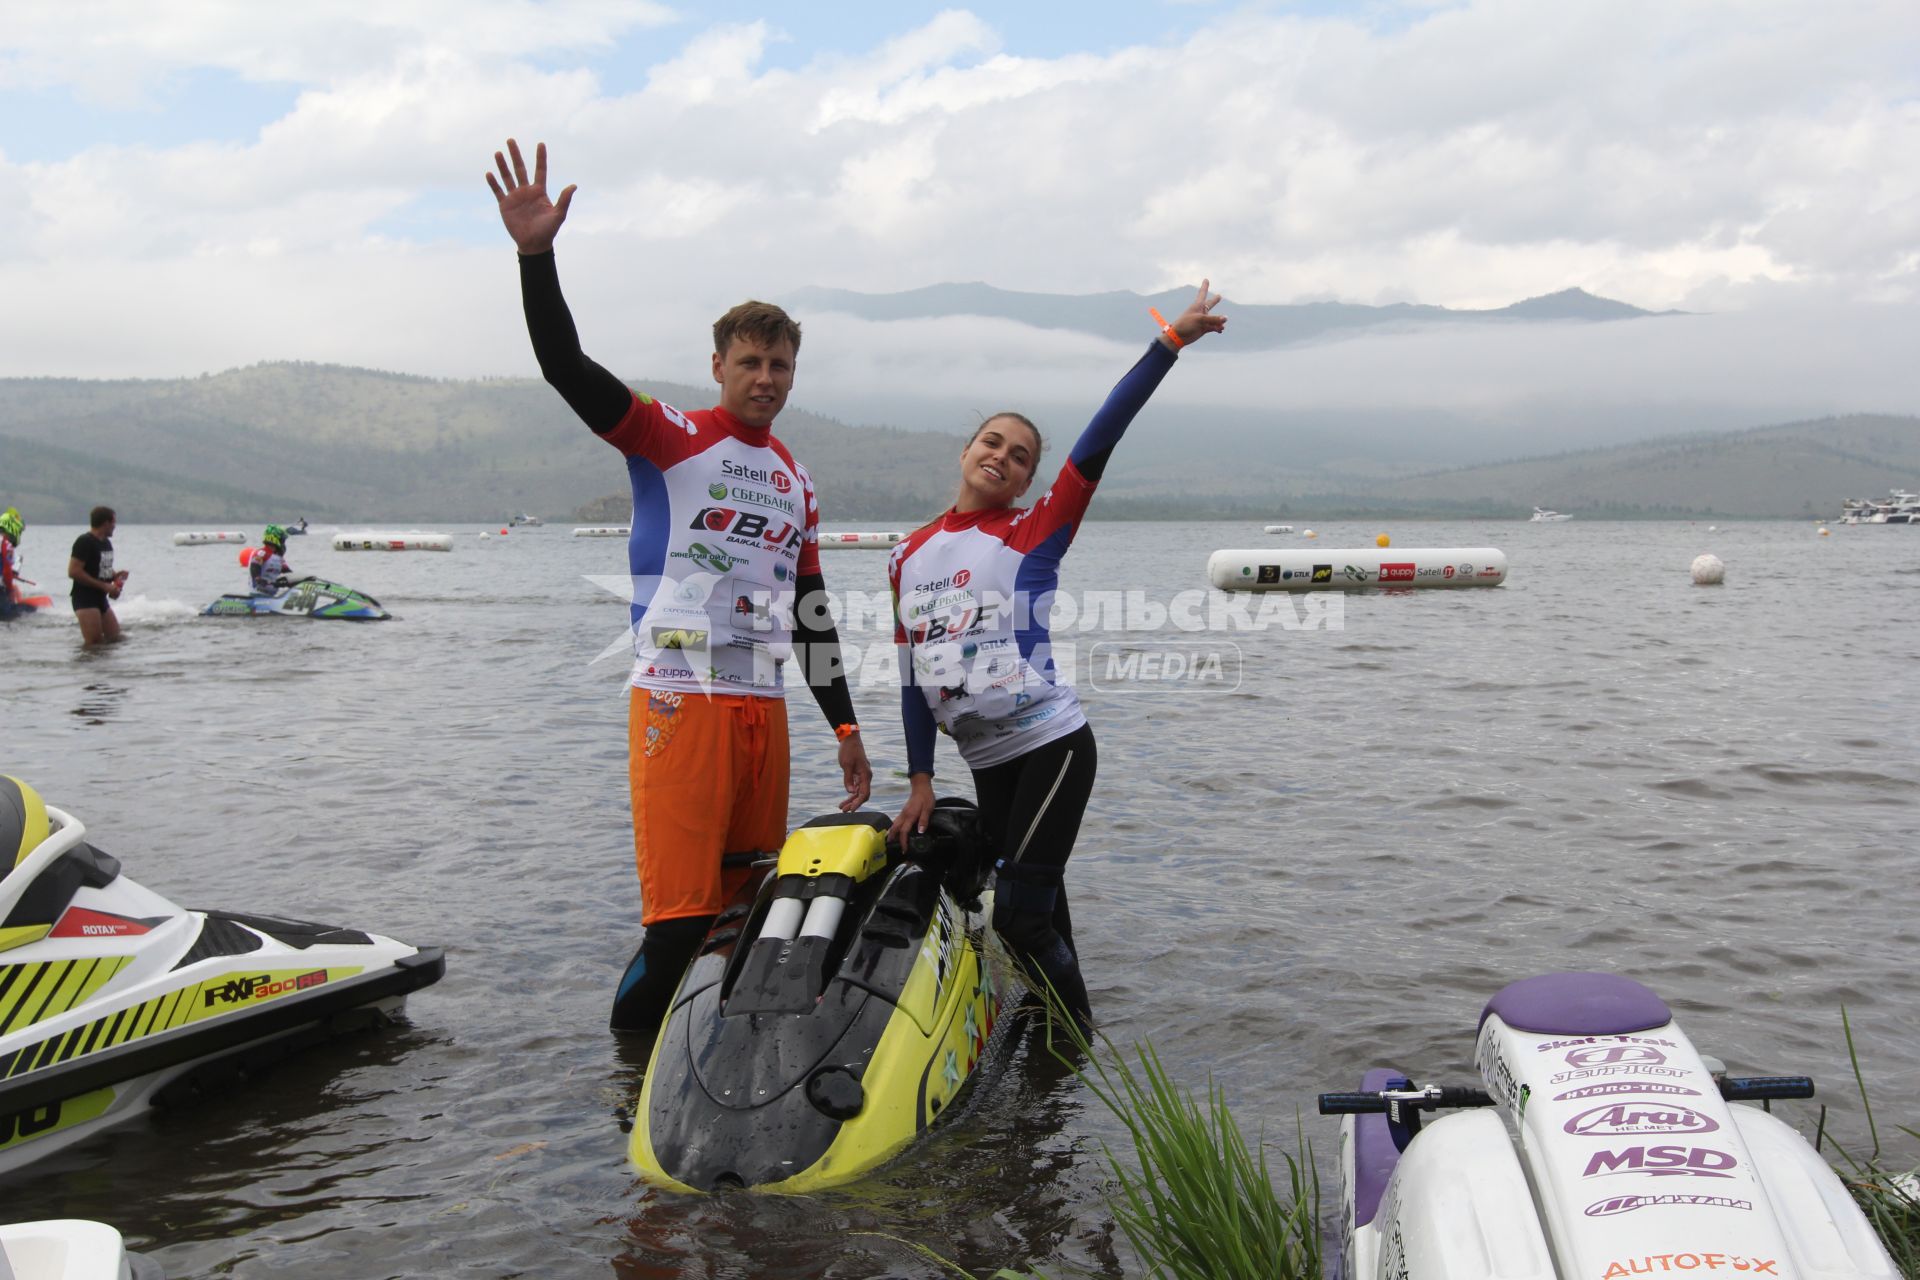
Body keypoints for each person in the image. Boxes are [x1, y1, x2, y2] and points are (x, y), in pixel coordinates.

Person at [488, 138, 875, 1033]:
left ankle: (705, 1088)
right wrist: (535, 257)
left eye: (780, 366)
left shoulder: (797, 480)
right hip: (679, 699)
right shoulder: (670, 439)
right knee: (679, 925)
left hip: (762, 708)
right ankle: (625, 1090)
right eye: (751, 363)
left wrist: (847, 727)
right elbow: (565, 368)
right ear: (719, 367)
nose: (766, 379)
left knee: (745, 921)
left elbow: (810, 614)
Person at [886, 283, 1227, 1029]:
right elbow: (913, 675)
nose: (1002, 458)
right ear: (967, 450)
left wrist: (1166, 346)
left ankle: (1073, 1048)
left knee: (1019, 921)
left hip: (1050, 745)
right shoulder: (905, 555)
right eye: (992, 443)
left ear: (1032, 480)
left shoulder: (1036, 529)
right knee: (1038, 910)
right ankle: (1052, 1082)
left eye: (1020, 456)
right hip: (987, 763)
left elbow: (1102, 434)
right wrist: (919, 780)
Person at [68, 506, 129, 646]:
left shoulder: (106, 543)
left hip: (100, 598)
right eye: (113, 523)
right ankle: (86, 668)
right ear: (106, 523)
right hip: (85, 598)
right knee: (94, 644)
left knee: (115, 639)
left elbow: (102, 568)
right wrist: (105, 586)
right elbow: (73, 571)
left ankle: (104, 669)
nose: (115, 526)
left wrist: (115, 577)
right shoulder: (84, 542)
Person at [250, 525, 293, 593]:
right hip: (258, 594)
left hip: (272, 596)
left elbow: (287, 572)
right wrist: (258, 579)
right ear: (274, 538)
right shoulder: (261, 553)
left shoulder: (279, 558)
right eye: (282, 540)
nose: (283, 543)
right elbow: (254, 567)